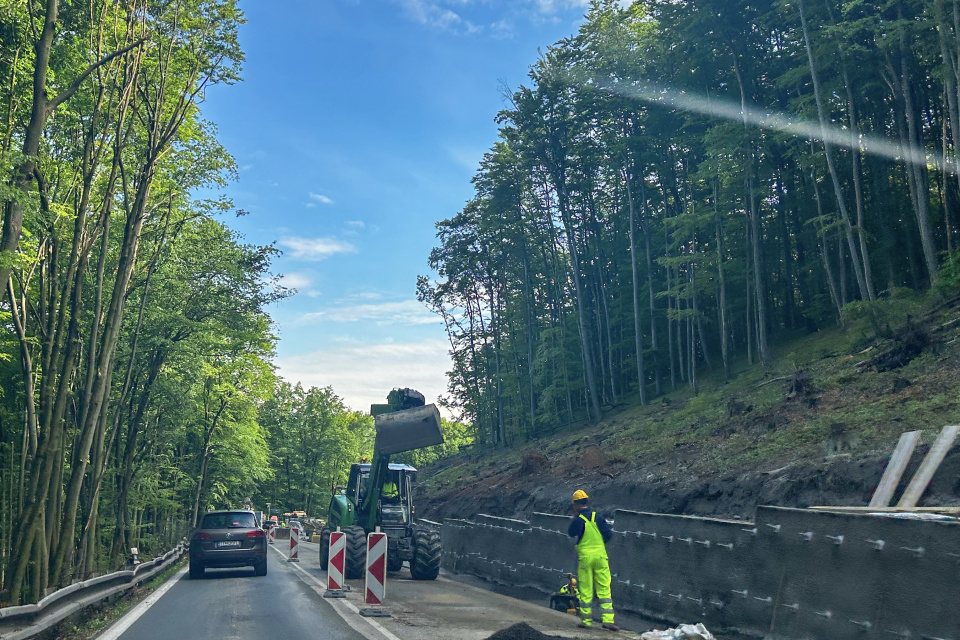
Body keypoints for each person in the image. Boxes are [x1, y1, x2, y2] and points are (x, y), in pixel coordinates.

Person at [567, 489, 618, 632]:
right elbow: (608, 535)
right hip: (601, 557)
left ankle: (586, 621)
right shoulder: (599, 517)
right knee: (604, 588)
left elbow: (571, 533)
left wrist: (575, 517)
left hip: (586, 558)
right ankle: (608, 621)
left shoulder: (578, 520)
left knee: (586, 589)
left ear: (575, 505)